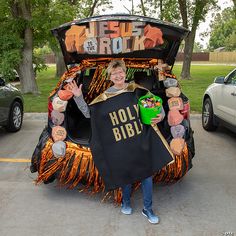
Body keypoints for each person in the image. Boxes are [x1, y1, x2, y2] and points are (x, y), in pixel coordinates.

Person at [67, 60, 167, 224]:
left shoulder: (137, 90)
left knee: (147, 175)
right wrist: (78, 97)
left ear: (125, 72)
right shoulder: (105, 98)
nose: (118, 75)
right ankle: (126, 201)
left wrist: (160, 115)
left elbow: (155, 104)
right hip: (122, 144)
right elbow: (89, 114)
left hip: (141, 141)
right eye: (114, 73)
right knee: (125, 175)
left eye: (120, 71)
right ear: (110, 77)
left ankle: (147, 209)